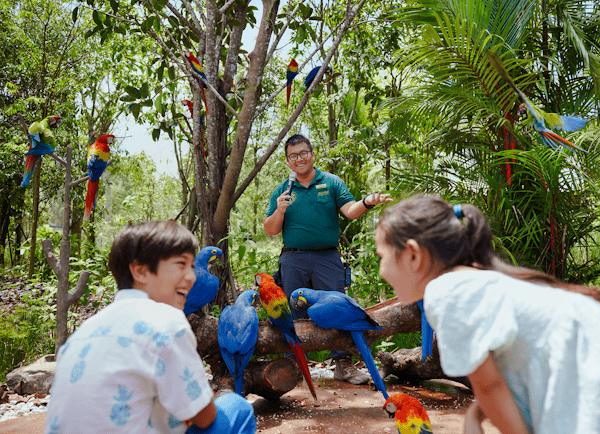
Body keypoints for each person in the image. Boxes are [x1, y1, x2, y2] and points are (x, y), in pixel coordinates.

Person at [375, 194, 600, 434]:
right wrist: (475, 415)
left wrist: (478, 413)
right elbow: (505, 384)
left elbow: (490, 388)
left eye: (382, 256)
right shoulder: (484, 283)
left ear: (413, 254)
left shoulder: (447, 291)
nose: (381, 270)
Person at [44, 221, 256, 434]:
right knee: (236, 407)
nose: (191, 277)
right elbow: (204, 417)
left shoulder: (83, 332)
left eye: (191, 267)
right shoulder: (167, 324)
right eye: (181, 265)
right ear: (140, 271)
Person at [264, 133, 391, 385]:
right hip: (293, 260)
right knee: (294, 316)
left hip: (327, 259)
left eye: (303, 153)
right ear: (288, 162)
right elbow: (270, 230)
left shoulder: (331, 182)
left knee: (337, 311)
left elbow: (350, 211)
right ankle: (294, 366)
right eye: (293, 156)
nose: (299, 159)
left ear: (312, 154)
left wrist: (367, 202)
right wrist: (280, 209)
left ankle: (342, 365)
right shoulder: (282, 190)